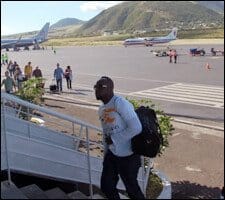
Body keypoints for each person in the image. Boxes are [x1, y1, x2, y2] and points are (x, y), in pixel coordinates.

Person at [94, 76, 145, 199]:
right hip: (112, 154)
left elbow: (136, 127)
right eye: (96, 86)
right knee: (106, 186)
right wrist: (106, 153)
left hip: (128, 156)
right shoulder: (101, 109)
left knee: (132, 189)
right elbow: (107, 133)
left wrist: (115, 139)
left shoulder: (120, 103)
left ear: (111, 88)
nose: (97, 89)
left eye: (102, 86)